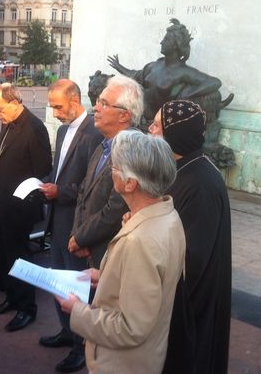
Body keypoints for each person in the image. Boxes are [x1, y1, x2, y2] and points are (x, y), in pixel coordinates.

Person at [57, 130, 185, 374]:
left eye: (114, 167)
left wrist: (78, 311)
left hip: (122, 365)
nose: (110, 172)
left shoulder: (140, 240)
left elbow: (130, 328)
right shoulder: (167, 215)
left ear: (130, 183)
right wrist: (104, 274)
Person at [148, 100, 232, 374]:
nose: (150, 129)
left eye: (157, 126)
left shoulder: (202, 184)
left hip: (192, 305)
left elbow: (191, 259)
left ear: (175, 136)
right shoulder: (184, 170)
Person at [38, 79, 103, 373]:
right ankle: (66, 331)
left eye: (58, 106)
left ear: (75, 101)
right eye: (52, 106)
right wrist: (44, 183)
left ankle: (80, 346)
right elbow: (60, 170)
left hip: (76, 224)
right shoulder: (63, 130)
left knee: (75, 286)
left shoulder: (95, 133)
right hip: (57, 219)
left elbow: (92, 188)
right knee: (57, 282)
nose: (54, 113)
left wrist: (60, 192)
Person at [0, 83, 52, 332]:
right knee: (4, 253)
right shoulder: (8, 121)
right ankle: (12, 297)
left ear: (15, 104)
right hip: (0, 201)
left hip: (19, 207)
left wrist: (21, 188)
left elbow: (43, 167)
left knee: (21, 256)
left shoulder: (35, 127)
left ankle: (27, 307)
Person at [67, 75, 143, 269]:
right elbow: (83, 192)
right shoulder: (104, 143)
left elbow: (116, 208)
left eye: (104, 103)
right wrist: (77, 235)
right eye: (98, 101)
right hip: (86, 248)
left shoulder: (132, 149)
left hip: (105, 256)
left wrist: (82, 238)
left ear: (124, 115)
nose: (95, 108)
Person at [107, 18, 231, 124]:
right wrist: (119, 66)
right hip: (145, 119)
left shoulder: (183, 72)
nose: (161, 42)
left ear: (176, 45)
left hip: (165, 124)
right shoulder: (154, 65)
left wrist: (189, 94)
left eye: (166, 40)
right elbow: (135, 75)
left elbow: (214, 82)